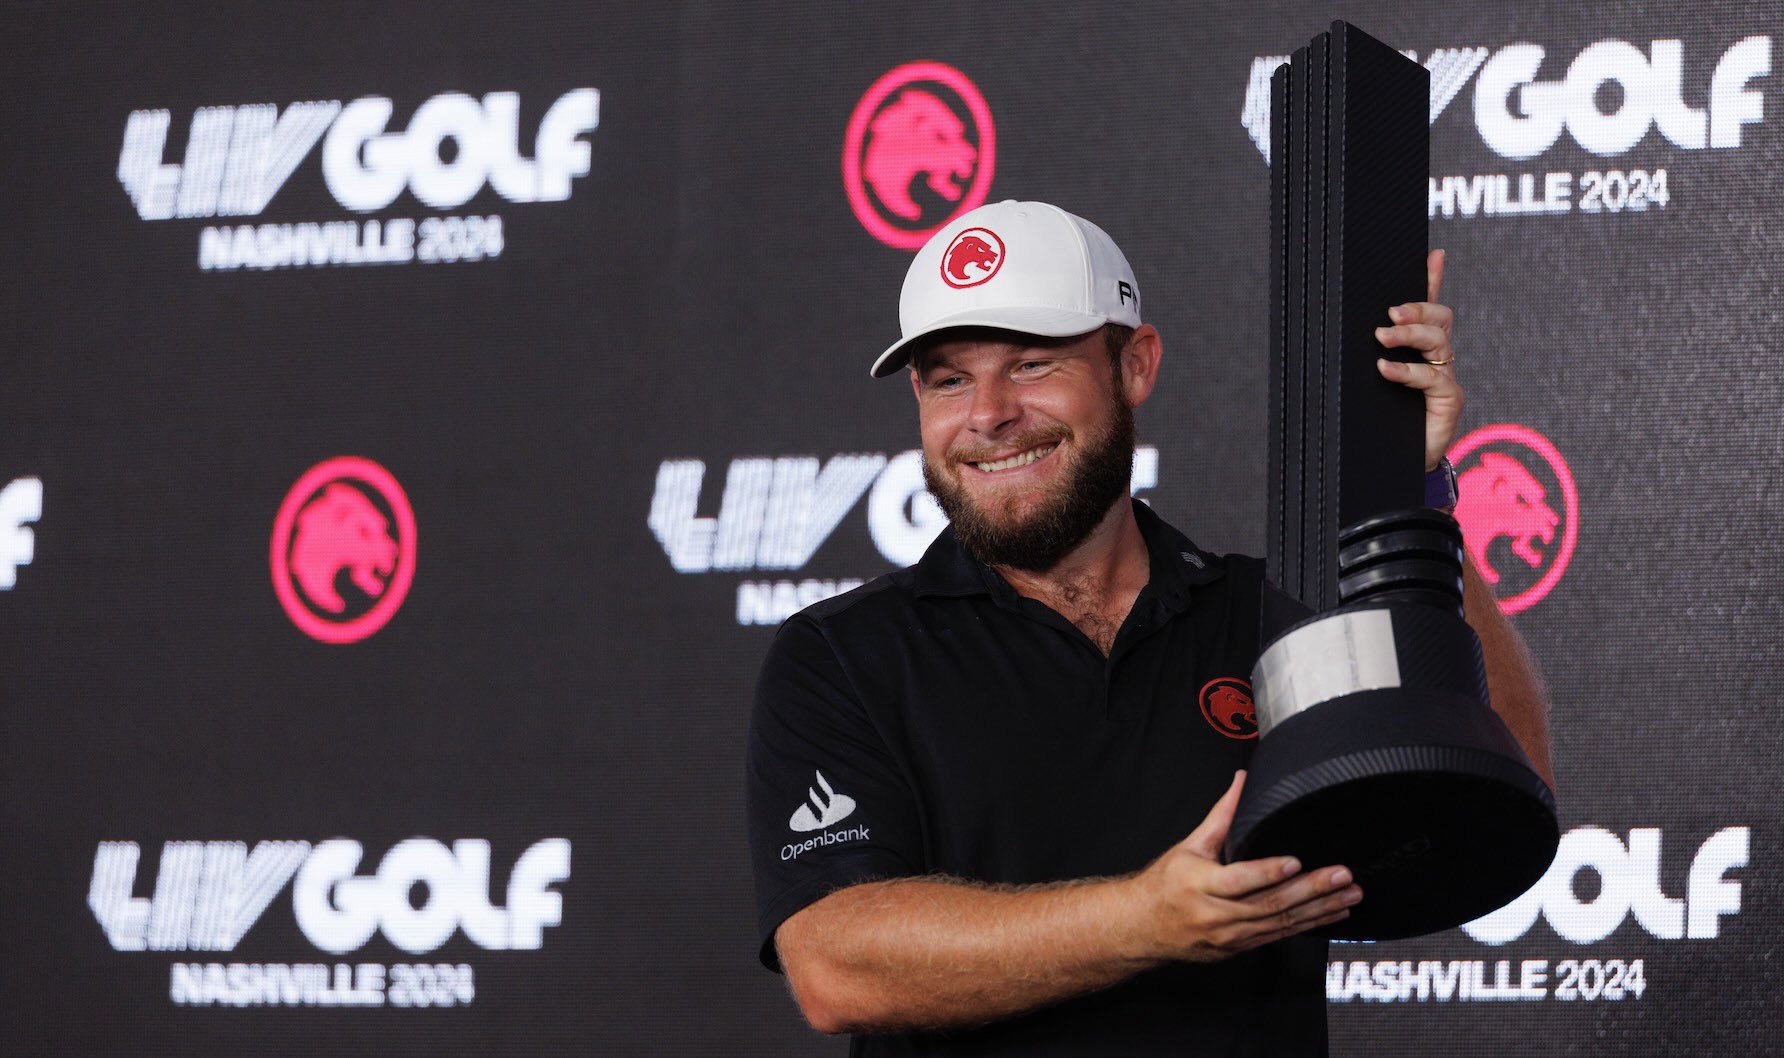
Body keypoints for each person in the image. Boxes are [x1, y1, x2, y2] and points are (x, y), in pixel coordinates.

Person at [746, 200, 1552, 1055]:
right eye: (949, 378)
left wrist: (1412, 492)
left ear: (1134, 365)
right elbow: (835, 964)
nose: (986, 414)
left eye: (1030, 363)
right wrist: (1144, 921)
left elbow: (1504, 779)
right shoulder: (842, 654)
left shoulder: (1270, 612)